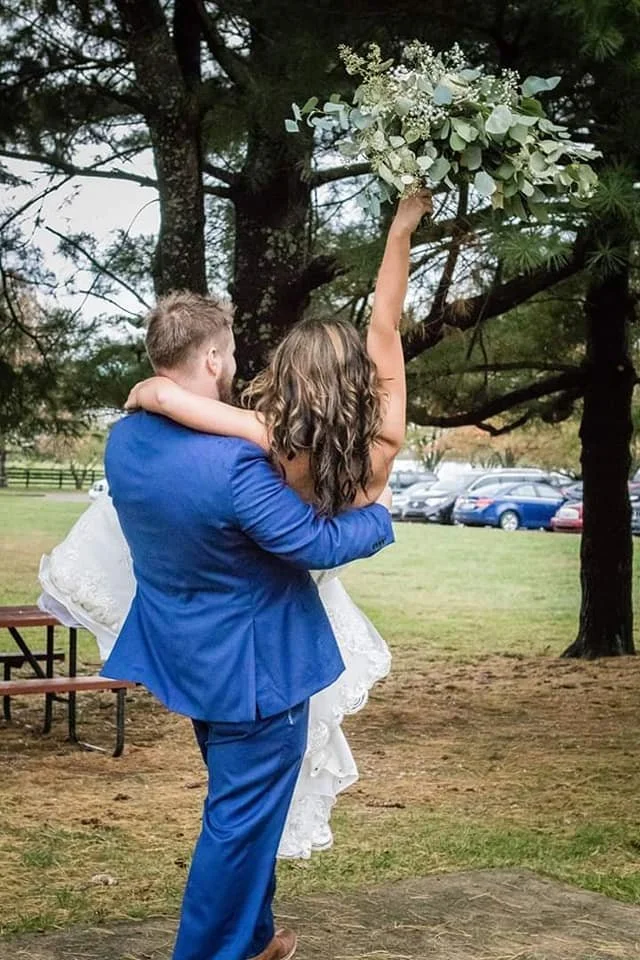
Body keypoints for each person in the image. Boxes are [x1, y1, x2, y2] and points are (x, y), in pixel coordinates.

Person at [39, 190, 431, 960]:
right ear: (213, 358)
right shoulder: (282, 458)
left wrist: (153, 391)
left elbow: (199, 419)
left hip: (191, 657)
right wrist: (382, 519)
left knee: (246, 808)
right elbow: (313, 542)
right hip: (259, 668)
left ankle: (255, 939)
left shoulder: (135, 439)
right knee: (238, 818)